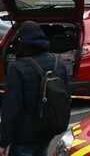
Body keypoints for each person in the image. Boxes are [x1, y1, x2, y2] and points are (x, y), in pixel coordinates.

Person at [0, 21, 70, 156]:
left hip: (24, 136)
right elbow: (66, 98)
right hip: (48, 130)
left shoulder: (17, 68)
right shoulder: (58, 63)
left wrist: (3, 141)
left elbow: (11, 108)